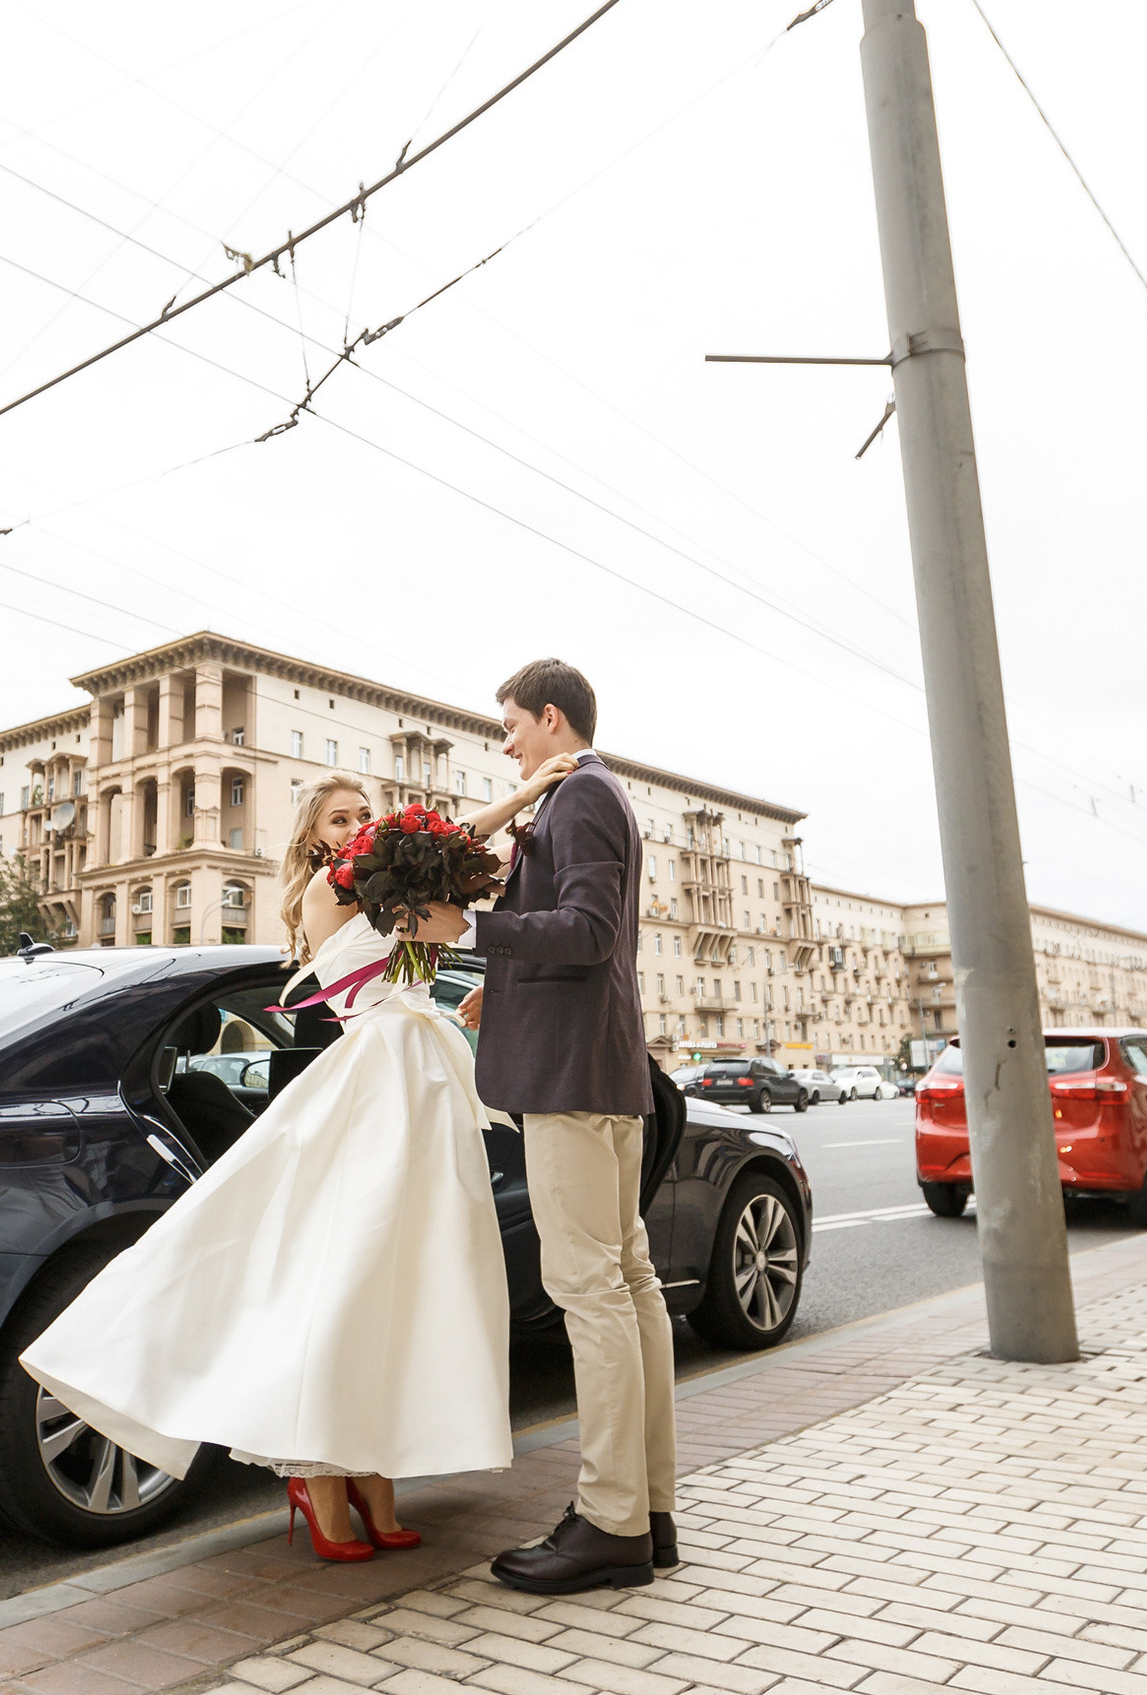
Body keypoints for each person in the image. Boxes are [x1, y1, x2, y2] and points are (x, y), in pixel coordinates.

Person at [18, 762, 572, 1560]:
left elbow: (443, 872)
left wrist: (513, 819)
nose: (355, 829)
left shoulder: (390, 884)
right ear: (314, 834)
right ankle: (319, 1478)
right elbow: (414, 895)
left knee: (412, 1281)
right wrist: (512, 803)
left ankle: (375, 1471)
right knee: (354, 1277)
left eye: (363, 816)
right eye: (340, 820)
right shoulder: (333, 892)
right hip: (377, 1080)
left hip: (423, 1080)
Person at [414, 657, 677, 1594]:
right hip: (598, 1066)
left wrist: (472, 930)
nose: (508, 743)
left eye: (514, 726)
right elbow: (576, 937)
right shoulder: (590, 794)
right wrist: (505, 980)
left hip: (573, 1079)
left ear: (552, 717)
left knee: (590, 1291)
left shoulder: (581, 797)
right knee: (629, 1281)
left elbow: (588, 932)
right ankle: (646, 1509)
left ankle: (610, 1522)